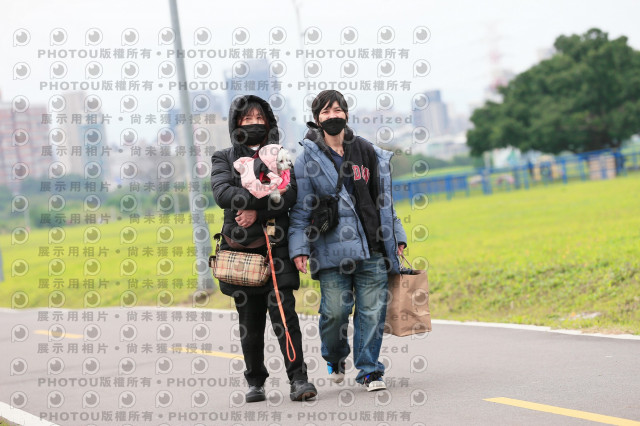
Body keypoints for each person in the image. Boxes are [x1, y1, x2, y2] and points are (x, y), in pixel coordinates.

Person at [288, 90, 408, 391]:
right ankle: (335, 356)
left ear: (346, 114)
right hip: (330, 251)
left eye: (337, 110)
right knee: (335, 313)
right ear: (317, 119)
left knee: (371, 313)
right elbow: (300, 210)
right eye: (326, 112)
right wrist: (299, 249)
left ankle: (369, 370)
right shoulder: (306, 160)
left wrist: (398, 235)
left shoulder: (366, 151)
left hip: (372, 246)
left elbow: (384, 201)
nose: (333, 116)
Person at [210, 95, 317, 402]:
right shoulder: (223, 158)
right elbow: (222, 193)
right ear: (236, 125)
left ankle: (299, 380)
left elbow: (290, 194)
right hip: (241, 252)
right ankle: (255, 381)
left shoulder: (280, 155)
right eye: (247, 120)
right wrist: (266, 198)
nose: (254, 124)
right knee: (250, 322)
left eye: (259, 119)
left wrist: (255, 212)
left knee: (285, 317)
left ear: (269, 122)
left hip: (276, 249)